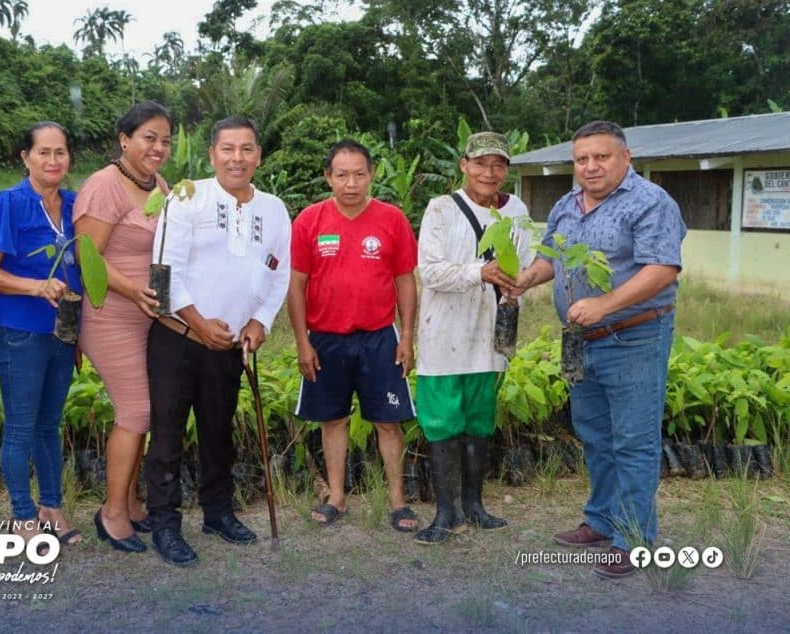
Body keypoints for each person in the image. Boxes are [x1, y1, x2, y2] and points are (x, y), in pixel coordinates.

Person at [514, 120, 686, 578]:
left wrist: (605, 303)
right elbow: (552, 255)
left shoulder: (650, 203)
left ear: (625, 158)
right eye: (582, 159)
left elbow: (663, 269)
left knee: (633, 440)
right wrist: (528, 278)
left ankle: (633, 539)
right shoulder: (566, 205)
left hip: (634, 337)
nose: (590, 167)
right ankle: (601, 520)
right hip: (581, 342)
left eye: (601, 157)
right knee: (595, 435)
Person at [144, 116, 291, 566]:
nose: (237, 158)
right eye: (228, 149)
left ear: (259, 156)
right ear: (211, 155)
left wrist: (260, 322)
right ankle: (165, 525)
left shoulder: (274, 209)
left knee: (218, 433)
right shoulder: (187, 196)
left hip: (229, 345)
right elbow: (163, 271)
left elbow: (278, 271)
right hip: (178, 338)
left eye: (247, 149)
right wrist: (197, 321)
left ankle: (218, 513)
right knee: (168, 435)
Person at [288, 139, 419, 533]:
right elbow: (295, 286)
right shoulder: (309, 220)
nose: (350, 183)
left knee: (388, 422)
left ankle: (398, 501)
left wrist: (407, 335)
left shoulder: (392, 219)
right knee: (334, 420)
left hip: (380, 337)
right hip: (326, 339)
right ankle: (336, 497)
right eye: (341, 174)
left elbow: (405, 281)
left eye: (359, 174)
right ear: (328, 177)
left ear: (372, 174)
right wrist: (302, 341)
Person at [413, 132, 532, 544]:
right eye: (480, 163)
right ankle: (447, 512)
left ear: (507, 171)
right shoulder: (440, 209)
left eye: (498, 165)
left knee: (480, 422)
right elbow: (429, 271)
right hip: (443, 334)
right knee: (443, 423)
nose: (489, 172)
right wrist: (478, 272)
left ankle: (476, 507)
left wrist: (517, 285)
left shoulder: (517, 211)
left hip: (488, 335)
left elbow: (526, 264)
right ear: (464, 165)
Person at [0, 121, 83, 546]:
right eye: (43, 152)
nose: (53, 160)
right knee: (20, 427)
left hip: (63, 333)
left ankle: (51, 506)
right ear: (25, 157)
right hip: (21, 331)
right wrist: (36, 286)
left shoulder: (75, 205)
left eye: (60, 152)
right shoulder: (9, 203)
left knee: (49, 425)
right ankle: (21, 512)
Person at [73, 102, 173, 553]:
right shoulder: (103, 186)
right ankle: (111, 513)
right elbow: (86, 258)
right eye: (149, 137)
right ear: (125, 139)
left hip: (149, 314)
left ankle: (131, 503)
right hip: (111, 312)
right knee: (136, 411)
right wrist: (134, 291)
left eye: (166, 140)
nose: (158, 147)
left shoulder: (160, 186)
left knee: (146, 411)